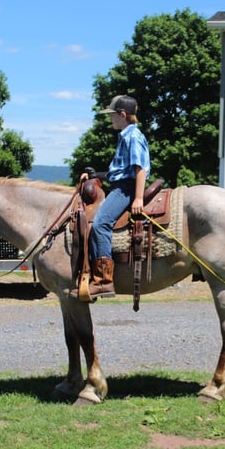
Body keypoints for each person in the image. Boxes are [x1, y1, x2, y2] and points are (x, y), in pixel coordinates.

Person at [73, 94, 150, 301]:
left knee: (100, 223)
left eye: (113, 115)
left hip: (126, 189)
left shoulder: (132, 136)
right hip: (121, 184)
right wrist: (94, 175)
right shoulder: (125, 135)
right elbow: (118, 172)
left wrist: (138, 199)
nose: (110, 119)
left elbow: (140, 169)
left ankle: (104, 281)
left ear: (122, 115)